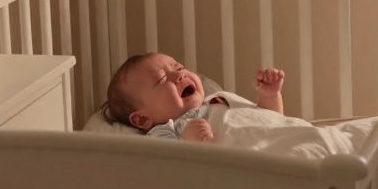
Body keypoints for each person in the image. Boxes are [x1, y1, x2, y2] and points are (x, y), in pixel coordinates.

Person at [103, 52, 285, 141]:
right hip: (270, 168)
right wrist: (190, 146)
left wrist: (270, 96)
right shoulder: (167, 133)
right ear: (142, 119)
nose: (180, 75)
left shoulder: (220, 99)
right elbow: (172, 174)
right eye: (163, 79)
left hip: (288, 140)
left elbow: (270, 120)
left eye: (179, 67)